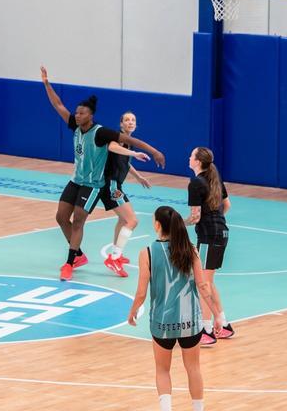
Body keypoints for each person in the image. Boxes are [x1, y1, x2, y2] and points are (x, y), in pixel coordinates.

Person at [40, 66, 164, 281]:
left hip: (92, 185)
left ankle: (69, 262)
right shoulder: (75, 125)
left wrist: (153, 152)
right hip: (75, 181)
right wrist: (46, 83)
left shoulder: (101, 133)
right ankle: (78, 255)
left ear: (91, 115)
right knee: (61, 217)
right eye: (76, 112)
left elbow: (130, 140)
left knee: (78, 221)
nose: (77, 115)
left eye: (81, 113)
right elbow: (57, 104)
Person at [128, 206, 221, 411]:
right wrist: (217, 314)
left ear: (158, 225)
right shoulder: (191, 250)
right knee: (193, 368)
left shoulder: (147, 253)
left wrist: (133, 311)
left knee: (162, 369)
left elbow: (141, 292)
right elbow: (203, 286)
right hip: (190, 322)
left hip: (162, 322)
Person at [186, 147, 234, 346]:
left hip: (208, 236)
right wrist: (215, 220)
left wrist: (176, 224)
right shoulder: (215, 179)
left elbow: (195, 217)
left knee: (203, 284)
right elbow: (227, 205)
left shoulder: (196, 183)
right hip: (221, 233)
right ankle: (224, 325)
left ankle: (205, 330)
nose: (189, 158)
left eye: (191, 155)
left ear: (197, 161)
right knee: (209, 281)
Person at [100, 111, 152, 277]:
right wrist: (135, 154)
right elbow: (112, 147)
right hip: (110, 185)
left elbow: (126, 163)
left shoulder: (129, 143)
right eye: (127, 120)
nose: (130, 122)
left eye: (133, 120)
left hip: (116, 185)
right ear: (121, 124)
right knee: (132, 221)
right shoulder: (117, 138)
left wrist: (139, 177)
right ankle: (114, 259)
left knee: (123, 220)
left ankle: (116, 254)